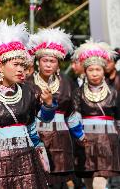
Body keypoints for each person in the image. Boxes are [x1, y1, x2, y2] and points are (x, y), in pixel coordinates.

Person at [0, 20, 56, 188]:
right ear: (0, 66)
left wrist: (48, 104)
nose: (21, 69)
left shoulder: (29, 91)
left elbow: (37, 123)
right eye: (16, 65)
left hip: (26, 158)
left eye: (23, 65)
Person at [27, 28, 86, 188]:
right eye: (45, 60)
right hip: (36, 139)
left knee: (63, 182)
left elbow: (71, 115)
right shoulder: (27, 84)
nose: (48, 64)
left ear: (58, 63)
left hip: (62, 141)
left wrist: (81, 135)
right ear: (38, 61)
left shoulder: (67, 83)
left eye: (52, 61)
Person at [72, 40, 120, 189]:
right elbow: (74, 116)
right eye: (91, 69)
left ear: (103, 70)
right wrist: (79, 135)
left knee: (100, 182)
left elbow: (118, 117)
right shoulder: (78, 93)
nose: (94, 73)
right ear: (85, 71)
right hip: (85, 141)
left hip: (107, 141)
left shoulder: (113, 92)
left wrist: (117, 136)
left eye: (98, 69)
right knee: (88, 182)